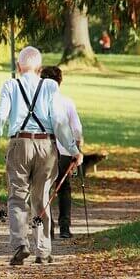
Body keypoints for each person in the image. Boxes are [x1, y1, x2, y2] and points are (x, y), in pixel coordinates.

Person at [0, 46, 83, 266]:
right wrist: (73, 150)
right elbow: (60, 123)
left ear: (18, 67)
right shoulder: (50, 86)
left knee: (17, 197)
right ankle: (43, 251)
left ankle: (20, 244)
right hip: (46, 145)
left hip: (19, 144)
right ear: (40, 68)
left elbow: (0, 116)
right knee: (42, 197)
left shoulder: (10, 85)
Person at [40, 66, 83, 239]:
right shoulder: (67, 102)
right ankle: (65, 227)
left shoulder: (39, 103)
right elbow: (77, 129)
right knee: (64, 188)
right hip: (65, 151)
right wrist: (77, 150)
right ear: (60, 82)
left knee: (44, 188)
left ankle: (47, 228)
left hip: (44, 150)